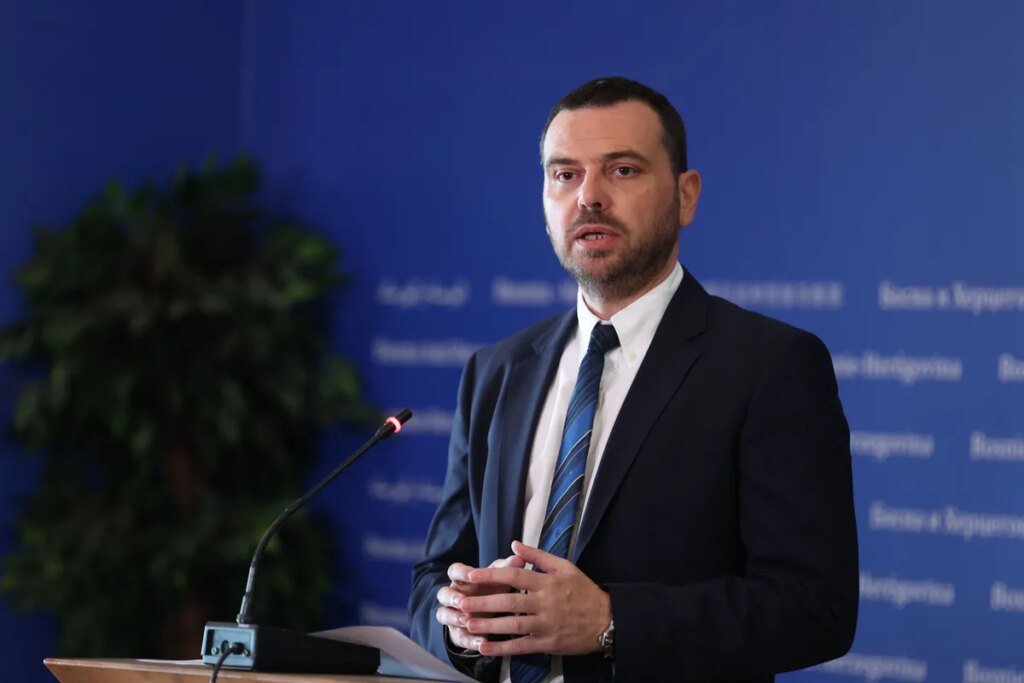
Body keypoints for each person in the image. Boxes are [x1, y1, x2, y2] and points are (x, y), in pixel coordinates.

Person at [409, 76, 858, 683]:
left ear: (686, 196)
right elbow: (434, 578)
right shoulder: (495, 371)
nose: (588, 197)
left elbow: (815, 607)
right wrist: (461, 630)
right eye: (565, 174)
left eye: (622, 170)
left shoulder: (770, 366)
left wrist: (610, 621)